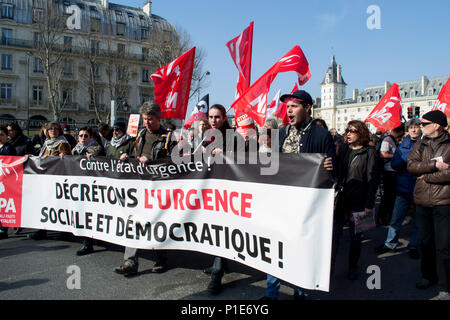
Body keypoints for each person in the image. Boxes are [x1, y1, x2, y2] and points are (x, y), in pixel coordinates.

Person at [261, 90, 335, 300]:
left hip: (306, 205)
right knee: (275, 246)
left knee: (300, 248)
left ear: (308, 108)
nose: (289, 110)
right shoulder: (282, 133)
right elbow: (272, 165)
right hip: (281, 201)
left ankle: (300, 291)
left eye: (294, 106)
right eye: (288, 106)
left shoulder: (321, 135)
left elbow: (333, 171)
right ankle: (271, 293)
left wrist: (330, 166)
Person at [114, 102, 176, 277]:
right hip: (140, 186)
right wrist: (128, 157)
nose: (147, 123)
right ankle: (130, 261)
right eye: (144, 119)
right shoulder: (140, 134)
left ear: (158, 118)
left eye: (150, 119)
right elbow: (135, 155)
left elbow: (175, 163)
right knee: (133, 221)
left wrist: (151, 163)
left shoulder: (169, 138)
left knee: (157, 223)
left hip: (158, 188)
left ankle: (161, 258)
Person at [204, 104, 247, 295]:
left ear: (224, 119)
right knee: (215, 230)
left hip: (229, 191)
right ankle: (220, 264)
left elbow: (245, 160)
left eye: (217, 117)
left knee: (223, 229)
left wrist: (226, 155)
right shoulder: (206, 137)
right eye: (211, 117)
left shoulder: (234, 138)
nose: (213, 120)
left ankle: (216, 274)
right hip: (211, 190)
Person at [407, 110, 450, 300]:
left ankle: (444, 285)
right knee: (426, 243)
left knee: (444, 246)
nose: (420, 127)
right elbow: (411, 166)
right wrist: (433, 166)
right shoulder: (421, 143)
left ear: (437, 125)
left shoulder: (449, 144)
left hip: (444, 201)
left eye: (424, 124)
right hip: (422, 200)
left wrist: (427, 176)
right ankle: (427, 276)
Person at [332, 121, 379, 280]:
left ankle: (353, 267)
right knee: (335, 235)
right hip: (342, 199)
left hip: (358, 201)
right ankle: (329, 267)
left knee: (355, 237)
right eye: (347, 130)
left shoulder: (369, 153)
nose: (348, 133)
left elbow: (372, 181)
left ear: (361, 133)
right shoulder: (344, 150)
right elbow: (338, 172)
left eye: (352, 131)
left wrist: (369, 205)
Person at [374, 119, 421, 259]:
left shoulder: (424, 144)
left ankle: (414, 245)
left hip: (419, 188)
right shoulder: (404, 144)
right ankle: (390, 243)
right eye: (411, 127)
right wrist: (410, 158)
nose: (413, 130)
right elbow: (395, 163)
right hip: (403, 186)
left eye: (416, 127)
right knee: (396, 218)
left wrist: (407, 159)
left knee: (418, 221)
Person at [28, 122, 71, 240]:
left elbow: (68, 160)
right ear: (46, 131)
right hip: (46, 178)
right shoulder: (46, 144)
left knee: (60, 205)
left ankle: (64, 231)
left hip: (58, 178)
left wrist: (56, 158)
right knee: (45, 204)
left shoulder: (63, 144)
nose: (53, 131)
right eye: (51, 129)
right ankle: (42, 229)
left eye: (56, 129)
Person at [70, 126, 105, 255]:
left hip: (92, 187)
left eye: (86, 136)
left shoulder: (97, 149)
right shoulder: (75, 149)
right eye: (81, 136)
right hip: (79, 185)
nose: (83, 138)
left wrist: (94, 158)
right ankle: (87, 240)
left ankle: (88, 243)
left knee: (91, 214)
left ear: (91, 137)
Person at [377, 125, 405, 225]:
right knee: (388, 196)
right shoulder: (388, 139)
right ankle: (382, 218)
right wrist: (396, 156)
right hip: (388, 171)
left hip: (393, 171)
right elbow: (383, 154)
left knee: (391, 196)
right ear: (400, 131)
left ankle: (387, 217)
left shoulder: (393, 139)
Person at [0, 126, 17, 239]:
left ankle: (3, 229)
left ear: (7, 136)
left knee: (4, 205)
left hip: (6, 181)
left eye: (1, 135)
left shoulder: (9, 148)